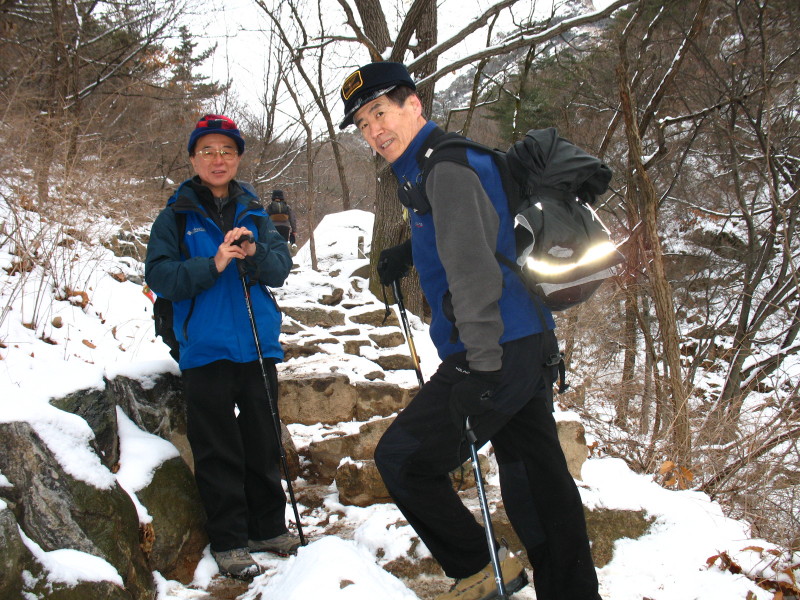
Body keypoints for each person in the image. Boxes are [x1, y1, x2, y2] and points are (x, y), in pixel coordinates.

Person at [339, 62, 602, 600]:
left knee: (403, 460)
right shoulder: (448, 159)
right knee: (536, 482)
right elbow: (484, 229)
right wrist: (410, 252)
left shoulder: (443, 170)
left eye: (380, 113)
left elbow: (475, 272)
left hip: (494, 347)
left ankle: (481, 569)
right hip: (525, 337)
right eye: (363, 124)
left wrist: (480, 368)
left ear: (414, 105)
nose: (374, 131)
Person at [145, 114, 300, 580]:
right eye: (208, 151)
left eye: (227, 151)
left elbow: (280, 270)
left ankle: (267, 528)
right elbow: (160, 276)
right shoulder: (175, 216)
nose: (218, 159)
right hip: (205, 350)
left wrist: (254, 252)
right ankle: (230, 540)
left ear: (238, 159)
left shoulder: (255, 212)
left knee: (264, 441)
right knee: (217, 449)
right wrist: (212, 264)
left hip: (257, 346)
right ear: (194, 159)